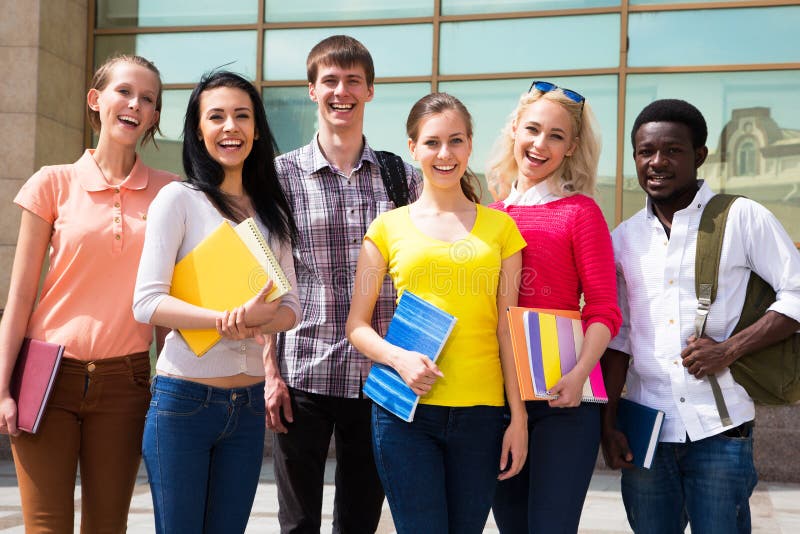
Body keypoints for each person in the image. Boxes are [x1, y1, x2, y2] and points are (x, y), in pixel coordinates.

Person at [600, 98, 800, 534]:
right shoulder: (623, 239)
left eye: (672, 150)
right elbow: (619, 338)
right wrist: (608, 423)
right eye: (645, 152)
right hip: (645, 428)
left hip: (720, 425)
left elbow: (797, 292)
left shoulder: (742, 216)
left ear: (699, 156)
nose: (657, 162)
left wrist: (729, 349)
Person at [0, 54, 177, 531]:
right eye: (124, 92)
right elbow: (18, 299)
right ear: (96, 100)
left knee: (107, 525)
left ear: (155, 117)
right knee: (45, 525)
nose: (135, 104)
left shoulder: (172, 192)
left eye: (148, 99)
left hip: (128, 381)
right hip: (44, 374)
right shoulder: (51, 183)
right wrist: (1, 386)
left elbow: (174, 297)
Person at [346, 91, 527, 533]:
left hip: (482, 414)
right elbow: (357, 325)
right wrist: (397, 358)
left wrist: (517, 418)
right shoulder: (387, 227)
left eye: (456, 141)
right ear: (413, 148)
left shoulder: (501, 228)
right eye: (431, 142)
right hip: (404, 415)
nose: (444, 154)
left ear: (470, 145)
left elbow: (509, 330)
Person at [132, 70, 301, 534]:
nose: (231, 127)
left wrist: (264, 318)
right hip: (183, 402)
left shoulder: (273, 208)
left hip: (246, 408)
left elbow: (293, 307)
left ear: (258, 129)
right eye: (217, 116)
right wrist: (221, 319)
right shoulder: (179, 200)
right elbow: (146, 302)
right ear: (199, 129)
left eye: (242, 116)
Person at [267, 34, 422, 533]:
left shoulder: (404, 178)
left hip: (378, 377)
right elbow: (267, 280)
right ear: (312, 90)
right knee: (297, 523)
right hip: (302, 372)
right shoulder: (279, 176)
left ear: (370, 91)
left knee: (359, 521)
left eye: (353, 80)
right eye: (329, 80)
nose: (341, 91)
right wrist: (270, 373)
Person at [487, 81, 622, 534]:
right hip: (498, 398)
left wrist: (580, 372)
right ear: (513, 131)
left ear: (572, 148)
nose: (540, 144)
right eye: (532, 129)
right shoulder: (489, 215)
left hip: (563, 396)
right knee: (510, 526)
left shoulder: (581, 213)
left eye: (556, 136)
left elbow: (604, 309)